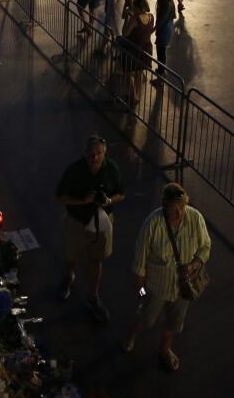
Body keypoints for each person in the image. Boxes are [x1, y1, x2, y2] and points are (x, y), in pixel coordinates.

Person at [124, 183, 211, 372]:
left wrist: (194, 264)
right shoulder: (152, 224)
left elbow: (205, 247)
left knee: (174, 321)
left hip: (182, 286)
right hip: (157, 286)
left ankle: (165, 349)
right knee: (147, 318)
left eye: (182, 207)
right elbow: (141, 257)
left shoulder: (195, 218)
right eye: (175, 209)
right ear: (165, 207)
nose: (179, 213)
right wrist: (140, 287)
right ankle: (131, 335)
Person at [56, 135, 125, 323]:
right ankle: (68, 276)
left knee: (96, 259)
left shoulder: (111, 169)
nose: (95, 158)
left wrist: (109, 201)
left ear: (105, 153)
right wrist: (82, 201)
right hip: (77, 221)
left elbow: (121, 193)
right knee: (71, 255)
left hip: (101, 222)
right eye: (91, 154)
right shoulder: (74, 170)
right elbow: (60, 197)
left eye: (99, 154)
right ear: (85, 153)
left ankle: (93, 296)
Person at [121, 0, 155, 105]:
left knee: (128, 73)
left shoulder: (135, 19)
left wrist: (127, 19)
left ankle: (132, 95)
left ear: (138, 7)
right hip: (146, 49)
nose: (133, 9)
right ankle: (137, 95)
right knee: (139, 73)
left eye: (134, 7)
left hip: (134, 48)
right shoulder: (151, 16)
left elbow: (125, 33)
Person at [152, 0, 177, 85]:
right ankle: (161, 70)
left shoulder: (167, 5)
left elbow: (162, 20)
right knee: (161, 52)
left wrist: (153, 29)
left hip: (164, 31)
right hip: (166, 30)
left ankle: (161, 77)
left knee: (161, 53)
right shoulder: (167, 3)